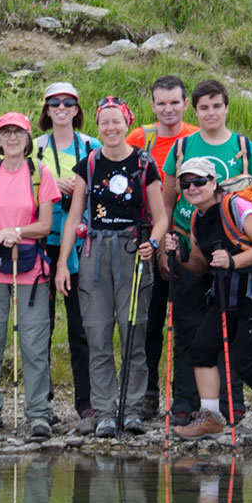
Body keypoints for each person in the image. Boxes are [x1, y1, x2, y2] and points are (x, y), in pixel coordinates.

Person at [168, 156, 252, 439]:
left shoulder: (236, 206)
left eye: (199, 181)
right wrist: (179, 255)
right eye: (186, 183)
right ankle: (210, 417)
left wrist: (232, 262)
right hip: (225, 292)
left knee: (246, 361)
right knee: (202, 348)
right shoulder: (196, 218)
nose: (192, 188)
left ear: (213, 182)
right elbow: (201, 264)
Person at [160, 80, 252, 424]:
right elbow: (166, 202)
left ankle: (230, 403)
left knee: (228, 330)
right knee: (186, 327)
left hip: (232, 252)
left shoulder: (244, 148)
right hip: (188, 243)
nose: (210, 113)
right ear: (194, 111)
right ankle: (184, 402)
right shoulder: (181, 147)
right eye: (203, 107)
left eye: (216, 106)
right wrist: (164, 246)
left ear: (226, 107)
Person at [0, 112, 67, 440]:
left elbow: (45, 225)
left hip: (31, 268)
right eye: (6, 132)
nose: (12, 138)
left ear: (27, 138)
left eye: (18, 132)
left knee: (34, 343)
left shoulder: (40, 173)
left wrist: (15, 232)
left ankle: (39, 413)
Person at [72, 98, 165, 437]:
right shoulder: (89, 164)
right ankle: (105, 411)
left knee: (133, 334)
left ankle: (132, 408)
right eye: (104, 123)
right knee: (97, 334)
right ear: (97, 127)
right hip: (95, 252)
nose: (110, 128)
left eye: (116, 122)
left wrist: (153, 243)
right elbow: (73, 217)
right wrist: (64, 264)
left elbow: (161, 217)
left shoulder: (144, 163)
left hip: (132, 251)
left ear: (128, 124)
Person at [33, 80, 99, 425]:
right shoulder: (35, 147)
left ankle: (86, 402)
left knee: (80, 327)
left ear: (77, 109)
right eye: (55, 103)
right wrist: (49, 187)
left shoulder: (91, 145)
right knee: (40, 326)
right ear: (46, 110)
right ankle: (42, 403)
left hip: (80, 244)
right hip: (43, 241)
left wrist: (80, 188)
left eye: (68, 103)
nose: (61, 108)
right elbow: (22, 188)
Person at [132, 75, 191, 420]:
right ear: (152, 106)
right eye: (162, 103)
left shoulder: (194, 138)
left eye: (174, 102)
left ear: (185, 104)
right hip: (147, 239)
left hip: (188, 239)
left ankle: (185, 394)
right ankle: (148, 392)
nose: (168, 109)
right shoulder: (141, 138)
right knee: (149, 321)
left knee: (185, 321)